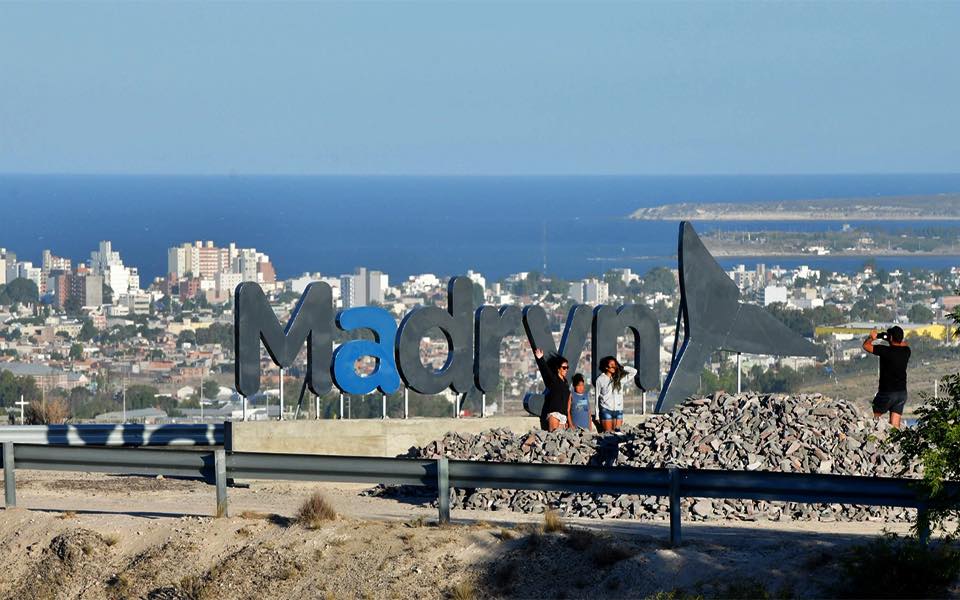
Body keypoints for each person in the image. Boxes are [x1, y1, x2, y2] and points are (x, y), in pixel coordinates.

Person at [862, 326, 911, 428]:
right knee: (895, 425)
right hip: (901, 393)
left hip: (887, 393)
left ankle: (872, 432)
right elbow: (903, 343)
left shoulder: (885, 351)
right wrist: (890, 338)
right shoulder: (906, 351)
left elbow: (866, 346)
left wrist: (872, 337)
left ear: (891, 337)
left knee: (872, 415)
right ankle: (895, 437)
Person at [596, 355, 637, 432]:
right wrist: (597, 416)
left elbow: (634, 371)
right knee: (608, 434)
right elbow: (597, 397)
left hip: (618, 410)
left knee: (618, 434)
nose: (614, 366)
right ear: (606, 367)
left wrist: (621, 367)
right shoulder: (600, 379)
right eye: (611, 365)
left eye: (615, 364)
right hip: (606, 409)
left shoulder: (620, 379)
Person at [533, 348, 571, 432]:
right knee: (553, 436)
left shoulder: (565, 383)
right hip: (555, 413)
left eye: (567, 367)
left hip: (563, 416)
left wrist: (567, 419)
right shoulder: (554, 379)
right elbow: (546, 370)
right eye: (564, 367)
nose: (566, 369)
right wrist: (540, 358)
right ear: (558, 369)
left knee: (561, 438)